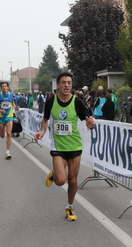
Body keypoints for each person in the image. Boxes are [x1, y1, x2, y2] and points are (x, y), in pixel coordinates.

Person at [34, 72, 95, 221]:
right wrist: (42, 131)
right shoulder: (50, 101)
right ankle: (55, 173)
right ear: (58, 85)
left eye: (69, 82)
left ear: (71, 85)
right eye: (63, 82)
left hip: (74, 146)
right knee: (61, 181)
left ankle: (69, 207)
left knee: (73, 180)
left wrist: (90, 124)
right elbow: (45, 119)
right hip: (58, 147)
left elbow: (88, 120)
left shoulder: (77, 102)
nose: (66, 85)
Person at [0, 82, 19, 159]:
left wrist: (15, 107)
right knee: (2, 136)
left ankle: (8, 152)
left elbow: (12, 103)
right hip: (1, 117)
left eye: (5, 86)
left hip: (9, 116)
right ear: (1, 88)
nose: (4, 87)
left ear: (8, 87)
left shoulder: (11, 95)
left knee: (9, 133)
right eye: (2, 86)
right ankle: (1, 131)